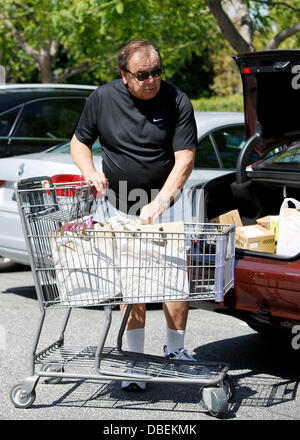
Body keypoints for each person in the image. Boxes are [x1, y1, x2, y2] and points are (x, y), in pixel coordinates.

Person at [70, 40, 197, 391]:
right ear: (124, 75)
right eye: (143, 75)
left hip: (166, 202)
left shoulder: (176, 100)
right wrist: (89, 171)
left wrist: (161, 202)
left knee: (174, 277)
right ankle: (137, 364)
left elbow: (185, 159)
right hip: (120, 203)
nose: (152, 80)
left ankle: (176, 350)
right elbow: (79, 142)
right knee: (133, 280)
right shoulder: (102, 99)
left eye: (157, 72)